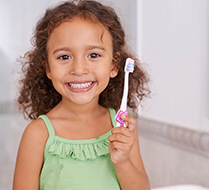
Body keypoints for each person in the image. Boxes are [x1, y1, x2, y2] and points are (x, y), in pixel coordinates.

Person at [13, 1, 151, 189]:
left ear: (114, 66)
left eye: (93, 55)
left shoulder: (120, 126)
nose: (79, 69)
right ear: (48, 68)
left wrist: (122, 161)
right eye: (64, 57)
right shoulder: (38, 134)